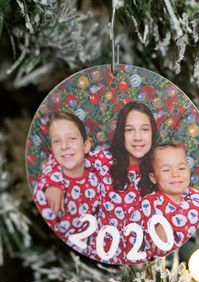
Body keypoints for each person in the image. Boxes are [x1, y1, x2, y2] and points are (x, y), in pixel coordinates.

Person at [41, 102, 157, 263]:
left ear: (153, 133)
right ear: (121, 134)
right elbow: (70, 154)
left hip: (143, 260)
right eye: (129, 130)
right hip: (98, 256)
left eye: (144, 129)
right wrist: (54, 183)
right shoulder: (105, 160)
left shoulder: (161, 169)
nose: (137, 137)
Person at [33, 111, 100, 256]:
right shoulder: (47, 192)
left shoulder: (99, 169)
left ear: (86, 145)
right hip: (73, 258)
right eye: (56, 141)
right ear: (52, 149)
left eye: (71, 138)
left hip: (105, 249)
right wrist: (51, 182)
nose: (64, 146)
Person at [137, 143, 199, 258]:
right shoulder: (149, 203)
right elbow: (137, 234)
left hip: (187, 255)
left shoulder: (193, 196)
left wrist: (170, 225)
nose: (175, 174)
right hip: (156, 261)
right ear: (153, 177)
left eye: (181, 168)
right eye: (166, 170)